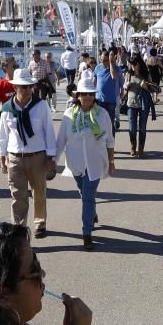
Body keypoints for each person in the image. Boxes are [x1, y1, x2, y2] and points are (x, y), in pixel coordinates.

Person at [56, 72, 115, 249]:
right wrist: (53, 160)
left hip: (95, 163)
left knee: (87, 197)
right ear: (78, 95)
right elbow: (60, 141)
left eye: (91, 93)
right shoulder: (68, 115)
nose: (88, 97)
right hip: (76, 163)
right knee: (84, 194)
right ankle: (92, 213)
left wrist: (111, 162)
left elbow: (110, 140)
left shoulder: (102, 114)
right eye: (84, 93)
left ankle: (86, 232)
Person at [0, 69, 57, 238]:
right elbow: (3, 135)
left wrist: (51, 157)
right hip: (15, 157)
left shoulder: (41, 106)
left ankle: (40, 223)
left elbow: (49, 133)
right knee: (17, 194)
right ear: (15, 87)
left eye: (28, 86)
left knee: (39, 191)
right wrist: (2, 157)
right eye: (22, 86)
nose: (26, 90)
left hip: (37, 156)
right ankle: (19, 227)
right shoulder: (7, 108)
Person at [123, 55, 156, 158]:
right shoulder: (128, 74)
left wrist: (145, 86)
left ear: (139, 64)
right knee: (132, 128)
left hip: (143, 104)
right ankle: (133, 147)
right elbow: (124, 88)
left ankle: (141, 149)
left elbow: (153, 89)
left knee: (142, 128)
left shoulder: (146, 74)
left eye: (134, 64)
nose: (132, 66)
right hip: (131, 103)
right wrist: (126, 86)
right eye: (131, 64)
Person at [94, 50, 120, 135]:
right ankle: (101, 144)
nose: (102, 62)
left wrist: (111, 63)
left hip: (110, 101)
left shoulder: (116, 68)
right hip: (99, 100)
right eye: (101, 60)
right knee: (100, 123)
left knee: (110, 124)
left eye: (105, 60)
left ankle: (111, 144)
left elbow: (114, 76)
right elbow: (94, 82)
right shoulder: (98, 67)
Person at [0, 57, 17, 136]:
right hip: (7, 117)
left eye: (14, 63)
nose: (14, 64)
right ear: (4, 67)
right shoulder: (0, 85)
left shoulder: (22, 83)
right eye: (11, 63)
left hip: (21, 116)